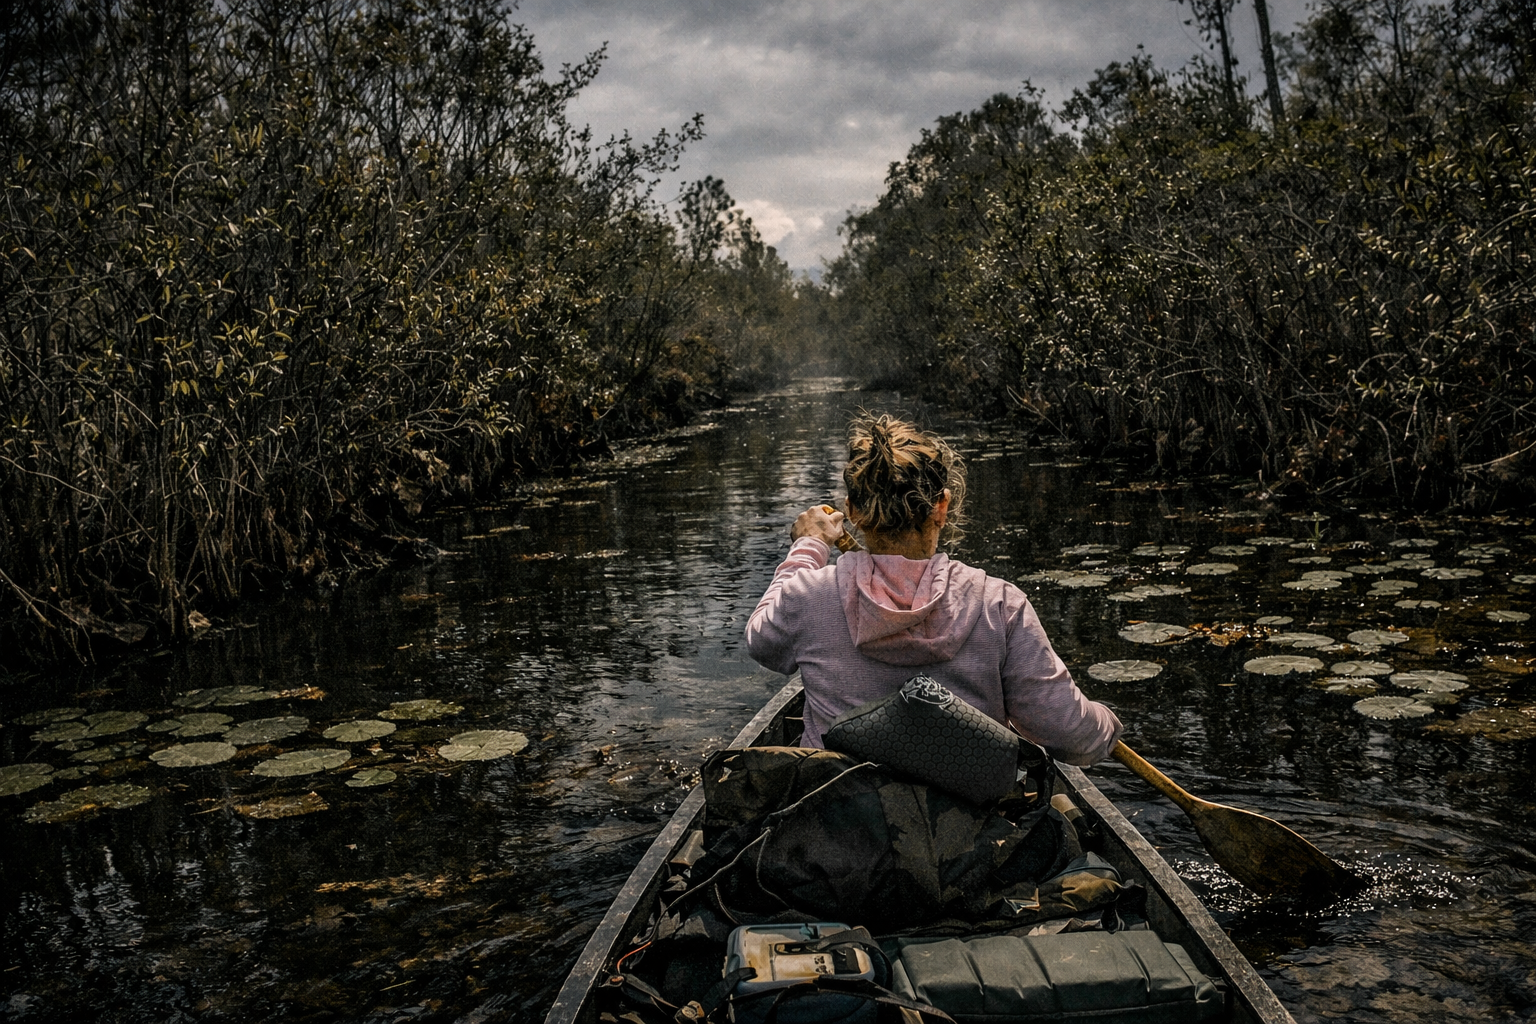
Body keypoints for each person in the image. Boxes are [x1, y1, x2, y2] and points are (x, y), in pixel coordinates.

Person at [745, 414, 1121, 765]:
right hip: (967, 826)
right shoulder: (999, 604)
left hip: (844, 819)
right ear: (942, 506)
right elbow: (1073, 738)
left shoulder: (808, 595)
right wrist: (1105, 723)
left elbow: (761, 643)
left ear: (852, 511)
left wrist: (808, 546)